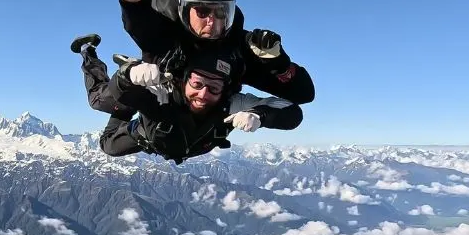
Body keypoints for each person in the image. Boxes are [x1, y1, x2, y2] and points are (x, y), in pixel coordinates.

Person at [106, 0, 316, 106]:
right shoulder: (168, 30)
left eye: (222, 13)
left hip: (204, 123)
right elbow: (139, 19)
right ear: (186, 11)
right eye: (203, 11)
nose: (212, 21)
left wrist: (279, 63)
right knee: (105, 103)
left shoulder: (237, 49)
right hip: (160, 104)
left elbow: (303, 93)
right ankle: (90, 54)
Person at [71, 33, 303, 164]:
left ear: (226, 88)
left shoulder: (233, 103)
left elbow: (293, 113)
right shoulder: (164, 88)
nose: (203, 94)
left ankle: (128, 100)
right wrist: (128, 76)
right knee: (102, 119)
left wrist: (260, 115)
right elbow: (120, 91)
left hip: (183, 142)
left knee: (118, 122)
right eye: (197, 84)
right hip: (148, 132)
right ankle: (88, 52)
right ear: (184, 80)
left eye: (214, 88)